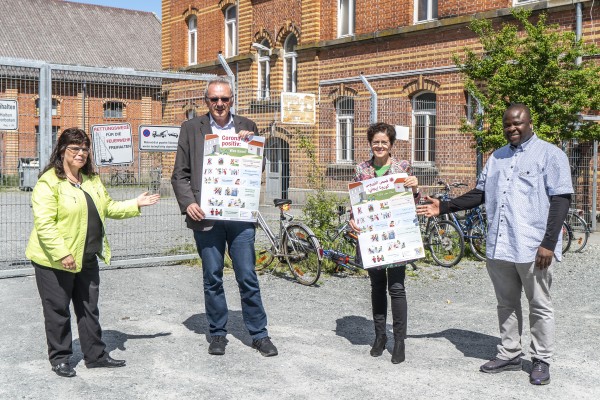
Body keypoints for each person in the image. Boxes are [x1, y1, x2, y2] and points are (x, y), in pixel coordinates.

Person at [416, 104, 572, 385]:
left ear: (529, 123)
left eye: (518, 123)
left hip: (532, 246)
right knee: (506, 303)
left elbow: (561, 200)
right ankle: (510, 352)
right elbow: (480, 193)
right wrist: (445, 207)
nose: (512, 128)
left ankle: (541, 359)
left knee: (539, 304)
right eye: (507, 125)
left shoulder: (551, 155)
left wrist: (549, 243)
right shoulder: (497, 157)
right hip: (500, 245)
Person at [25, 128, 160, 378]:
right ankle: (60, 358)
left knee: (89, 307)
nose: (81, 153)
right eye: (75, 148)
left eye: (85, 149)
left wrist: (135, 204)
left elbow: (107, 207)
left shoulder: (91, 180)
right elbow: (45, 224)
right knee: (57, 310)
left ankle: (95, 355)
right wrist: (62, 253)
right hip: (55, 260)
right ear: (62, 151)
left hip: (85, 257)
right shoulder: (49, 183)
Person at [171, 77, 277, 357]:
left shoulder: (247, 126)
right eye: (214, 99)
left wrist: (250, 144)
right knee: (212, 277)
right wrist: (188, 204)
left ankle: (259, 334)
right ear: (206, 101)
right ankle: (217, 333)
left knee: (247, 275)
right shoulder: (191, 128)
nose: (219, 104)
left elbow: (259, 165)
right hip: (206, 216)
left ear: (232, 100)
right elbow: (179, 174)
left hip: (240, 217)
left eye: (224, 99)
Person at [348, 122, 420, 364]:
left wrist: (415, 187)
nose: (380, 146)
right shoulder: (361, 170)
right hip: (372, 239)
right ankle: (380, 337)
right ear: (371, 144)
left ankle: (399, 341)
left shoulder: (403, 168)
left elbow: (413, 201)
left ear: (391, 145)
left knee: (397, 289)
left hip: (397, 238)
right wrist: (352, 220)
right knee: (377, 287)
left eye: (384, 142)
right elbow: (355, 205)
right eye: (376, 142)